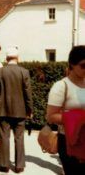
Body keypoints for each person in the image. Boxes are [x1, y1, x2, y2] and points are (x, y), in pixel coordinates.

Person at [0, 46, 33, 173]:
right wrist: (29, 109)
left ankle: (4, 165)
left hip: (3, 110)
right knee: (19, 137)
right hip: (21, 110)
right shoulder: (24, 72)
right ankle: (19, 166)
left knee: (4, 136)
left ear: (6, 58)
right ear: (17, 58)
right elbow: (28, 93)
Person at [46, 45, 85, 174]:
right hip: (70, 141)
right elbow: (51, 116)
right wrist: (79, 117)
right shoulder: (61, 86)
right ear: (72, 65)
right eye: (83, 65)